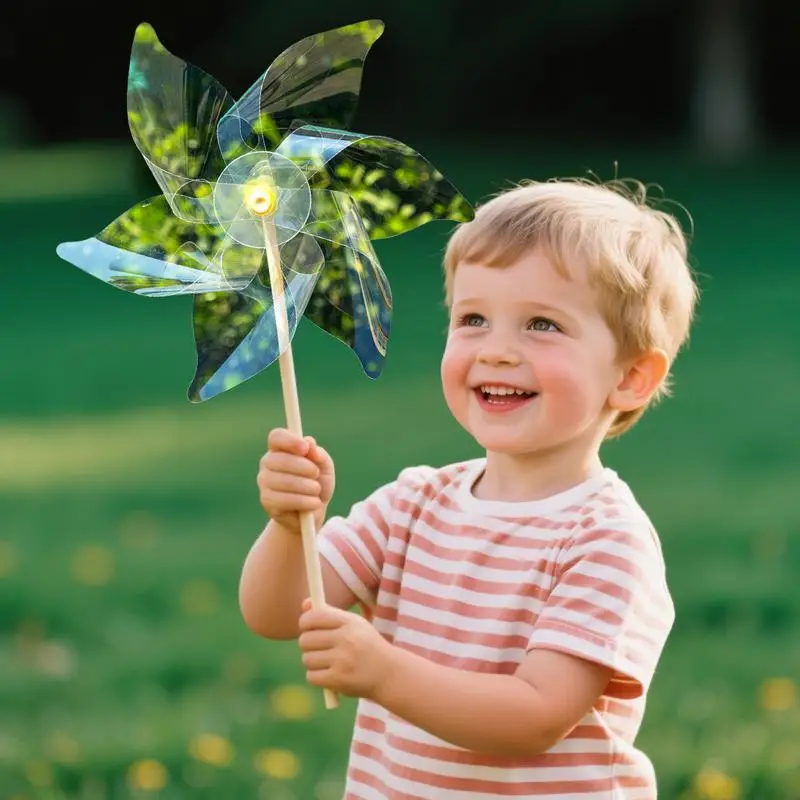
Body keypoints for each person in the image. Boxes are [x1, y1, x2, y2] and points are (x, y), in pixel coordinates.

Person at [240, 177, 700, 799]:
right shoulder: (411, 505)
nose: (498, 351)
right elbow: (274, 614)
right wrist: (291, 523)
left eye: (542, 325)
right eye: (473, 319)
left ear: (633, 377)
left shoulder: (605, 539)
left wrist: (384, 672)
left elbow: (536, 715)